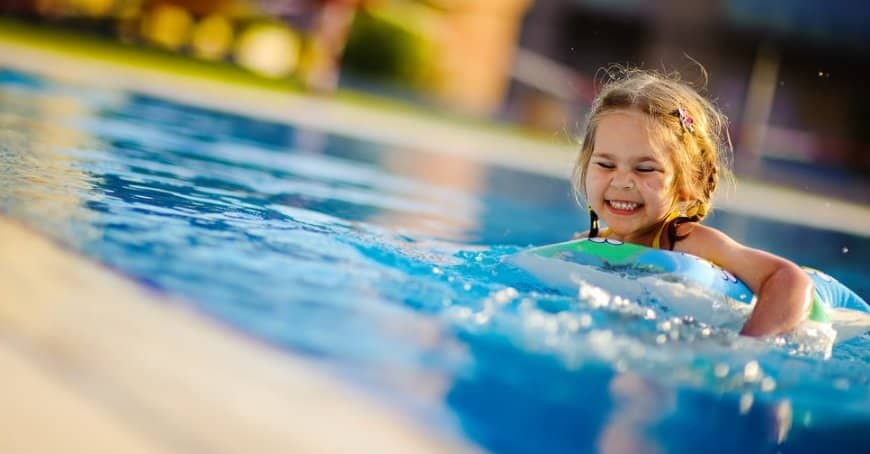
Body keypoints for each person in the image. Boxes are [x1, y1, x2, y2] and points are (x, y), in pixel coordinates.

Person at [570, 67, 813, 337]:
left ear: (689, 182)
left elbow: (788, 278)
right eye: (605, 164)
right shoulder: (588, 243)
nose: (621, 182)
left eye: (645, 169)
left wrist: (747, 346)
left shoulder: (690, 243)